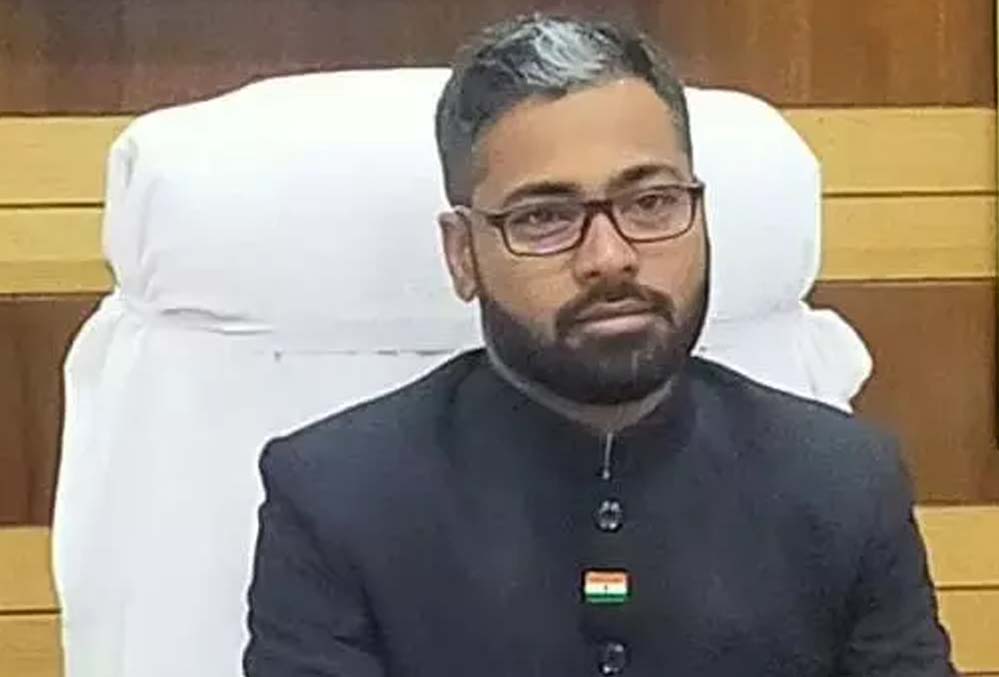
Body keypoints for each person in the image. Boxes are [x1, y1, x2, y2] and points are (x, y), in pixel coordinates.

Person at [243, 14, 955, 677]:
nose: (610, 258)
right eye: (544, 217)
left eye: (651, 203)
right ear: (462, 254)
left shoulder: (842, 483)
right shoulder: (335, 499)